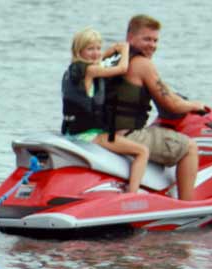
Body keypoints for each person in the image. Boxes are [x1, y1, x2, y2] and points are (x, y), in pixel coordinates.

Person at [107, 14, 205, 201]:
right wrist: (195, 105)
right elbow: (172, 104)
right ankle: (187, 205)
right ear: (130, 38)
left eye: (155, 40)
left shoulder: (112, 58)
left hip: (104, 133)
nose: (152, 45)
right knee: (189, 147)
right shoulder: (142, 64)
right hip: (127, 135)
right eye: (146, 39)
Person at [62, 29, 154, 194]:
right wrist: (125, 50)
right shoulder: (90, 71)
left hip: (72, 132)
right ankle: (132, 195)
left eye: (98, 48)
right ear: (79, 50)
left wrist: (107, 53)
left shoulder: (73, 70)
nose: (96, 53)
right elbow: (122, 68)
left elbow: (98, 63)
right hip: (89, 135)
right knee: (142, 151)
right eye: (90, 49)